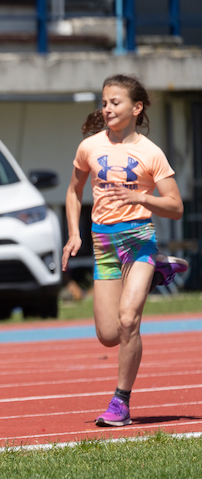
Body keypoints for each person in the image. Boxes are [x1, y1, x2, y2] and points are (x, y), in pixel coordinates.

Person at [62, 74, 187, 427]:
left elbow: (176, 207)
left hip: (138, 239)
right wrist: (74, 234)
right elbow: (73, 192)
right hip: (103, 243)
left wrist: (140, 198)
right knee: (108, 335)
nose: (107, 109)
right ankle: (157, 270)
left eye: (115, 103)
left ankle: (121, 403)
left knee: (129, 321)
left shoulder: (151, 152)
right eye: (104, 103)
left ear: (136, 108)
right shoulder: (89, 148)